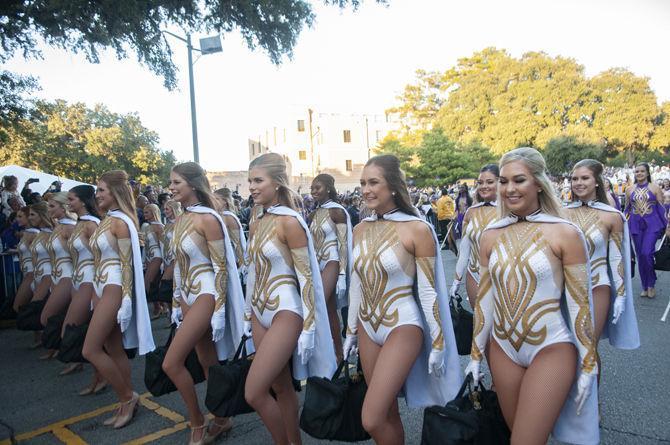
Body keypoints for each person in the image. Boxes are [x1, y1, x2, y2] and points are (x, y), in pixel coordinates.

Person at [465, 147, 599, 445]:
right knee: (520, 436)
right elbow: (485, 301)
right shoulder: (490, 234)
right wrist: (476, 354)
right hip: (502, 349)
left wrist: (589, 362)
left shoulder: (565, 233)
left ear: (539, 183)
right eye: (503, 181)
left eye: (519, 180)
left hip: (550, 347)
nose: (509, 189)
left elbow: (580, 304)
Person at [343, 155, 461, 444]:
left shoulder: (416, 229)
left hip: (402, 325)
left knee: (370, 417)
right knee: (385, 416)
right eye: (362, 183)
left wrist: (438, 342)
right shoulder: (359, 230)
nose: (366, 189)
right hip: (368, 327)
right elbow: (356, 284)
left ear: (393, 186)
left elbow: (429, 290)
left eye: (374, 182)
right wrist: (351, 332)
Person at [245, 153, 336, 445]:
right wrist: (248, 313)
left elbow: (308, 278)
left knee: (254, 392)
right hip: (259, 312)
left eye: (258, 180)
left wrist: (309, 326)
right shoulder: (256, 221)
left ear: (277, 182)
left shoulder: (291, 222)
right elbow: (253, 272)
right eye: (250, 181)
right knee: (279, 386)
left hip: (286, 310)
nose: (252, 187)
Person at [165, 163, 247, 445]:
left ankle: (197, 423)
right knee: (205, 360)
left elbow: (222, 268)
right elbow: (178, 264)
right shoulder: (180, 219)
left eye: (177, 182)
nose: (172, 188)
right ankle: (222, 418)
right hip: (187, 294)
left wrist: (221, 309)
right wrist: (176, 301)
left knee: (171, 363)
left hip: (206, 293)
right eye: (171, 183)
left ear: (193, 184)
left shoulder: (209, 219)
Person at [83, 170, 155, 429]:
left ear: (115, 192)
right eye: (97, 190)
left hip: (114, 286)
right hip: (102, 287)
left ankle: (128, 396)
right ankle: (124, 401)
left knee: (90, 349)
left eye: (102, 190)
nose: (97, 195)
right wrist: (94, 292)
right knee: (113, 348)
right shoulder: (107, 220)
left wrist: (126, 299)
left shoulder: (120, 222)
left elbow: (127, 265)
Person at [565, 159, 640, 394]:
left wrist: (620, 295)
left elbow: (617, 259)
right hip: (564, 288)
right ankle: (565, 399)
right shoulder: (561, 213)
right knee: (566, 347)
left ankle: (591, 402)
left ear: (597, 181)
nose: (578, 183)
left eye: (584, 178)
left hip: (598, 286)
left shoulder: (612, 216)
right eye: (575, 178)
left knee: (588, 344)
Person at [65, 185, 106, 391]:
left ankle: (102, 377)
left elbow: (102, 255)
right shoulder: (78, 224)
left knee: (78, 329)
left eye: (71, 199)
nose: (68, 203)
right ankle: (97, 377)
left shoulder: (92, 225)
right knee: (82, 331)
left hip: (91, 281)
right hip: (78, 280)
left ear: (82, 201)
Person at [307, 173, 352, 362]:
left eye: (317, 187)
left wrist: (342, 274)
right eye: (312, 188)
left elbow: (343, 244)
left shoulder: (337, 211)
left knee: (319, 304)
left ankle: (332, 351)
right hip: (317, 264)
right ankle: (337, 353)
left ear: (328, 188)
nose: (313, 191)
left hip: (333, 260)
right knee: (329, 309)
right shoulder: (313, 213)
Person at [450, 164, 499, 308]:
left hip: (499, 276)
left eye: (490, 182)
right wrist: (456, 281)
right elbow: (465, 250)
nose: (484, 186)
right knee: (478, 322)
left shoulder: (510, 211)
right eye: (480, 182)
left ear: (501, 182)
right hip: (473, 276)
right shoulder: (471, 212)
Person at [40, 192, 77, 361]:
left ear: (64, 207)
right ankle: (69, 355)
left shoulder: (70, 227)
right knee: (61, 317)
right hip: (57, 276)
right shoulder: (59, 226)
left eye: (52, 206)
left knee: (47, 316)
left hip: (68, 277)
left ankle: (76, 355)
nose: (49, 209)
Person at [625, 162, 667, 298]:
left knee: (647, 253)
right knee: (640, 255)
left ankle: (651, 283)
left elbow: (661, 209)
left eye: (642, 171)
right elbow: (626, 209)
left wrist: (667, 226)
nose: (639, 173)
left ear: (647, 173)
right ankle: (644, 285)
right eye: (637, 171)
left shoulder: (654, 188)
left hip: (652, 225)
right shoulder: (629, 190)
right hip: (635, 225)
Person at [13, 207, 39, 313]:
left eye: (20, 216)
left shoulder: (34, 235)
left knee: (19, 307)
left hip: (32, 274)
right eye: (17, 216)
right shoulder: (26, 233)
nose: (17, 219)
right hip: (27, 273)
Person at [159, 200, 182, 313]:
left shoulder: (180, 223)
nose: (165, 211)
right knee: (168, 291)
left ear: (174, 209)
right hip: (167, 260)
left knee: (166, 288)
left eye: (167, 209)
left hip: (175, 260)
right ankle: (172, 317)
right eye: (164, 209)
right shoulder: (167, 224)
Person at [142, 203, 164, 318]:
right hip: (149, 258)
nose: (144, 214)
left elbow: (163, 245)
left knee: (147, 284)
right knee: (153, 283)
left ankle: (162, 308)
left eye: (147, 212)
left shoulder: (159, 227)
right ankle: (160, 307)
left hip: (157, 257)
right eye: (144, 212)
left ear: (153, 212)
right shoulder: (147, 227)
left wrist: (165, 263)